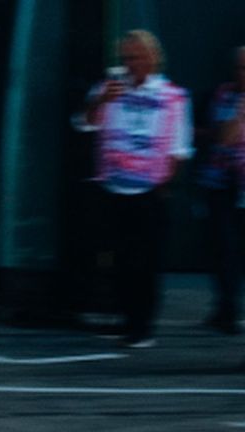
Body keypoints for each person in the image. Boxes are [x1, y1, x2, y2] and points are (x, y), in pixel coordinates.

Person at [76, 30, 191, 348]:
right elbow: (84, 123)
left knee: (146, 262)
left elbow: (179, 148)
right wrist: (101, 101)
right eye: (126, 58)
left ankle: (142, 326)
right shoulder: (108, 88)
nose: (130, 64)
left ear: (153, 58)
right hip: (113, 188)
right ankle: (126, 318)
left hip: (150, 191)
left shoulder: (172, 96)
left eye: (137, 57)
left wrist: (165, 185)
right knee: (119, 259)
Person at [196, 47, 245, 334]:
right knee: (222, 247)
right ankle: (226, 308)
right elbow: (210, 134)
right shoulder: (220, 96)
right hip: (220, 182)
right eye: (240, 68)